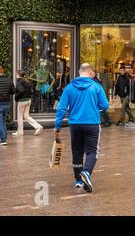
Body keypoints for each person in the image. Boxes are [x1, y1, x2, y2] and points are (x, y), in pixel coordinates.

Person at [54, 63, 109, 193]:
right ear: (90, 73)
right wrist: (95, 108)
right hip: (92, 123)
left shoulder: (69, 88)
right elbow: (105, 105)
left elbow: (61, 108)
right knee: (92, 151)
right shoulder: (96, 87)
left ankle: (78, 180)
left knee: (77, 151)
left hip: (75, 124)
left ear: (79, 72)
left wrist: (57, 126)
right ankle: (86, 172)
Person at [13, 70, 43, 136]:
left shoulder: (19, 81)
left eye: (16, 74)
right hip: (28, 100)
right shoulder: (27, 81)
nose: (16, 75)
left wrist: (16, 97)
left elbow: (21, 91)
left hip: (22, 101)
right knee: (26, 116)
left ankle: (20, 132)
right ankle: (38, 126)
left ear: (18, 75)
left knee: (20, 116)